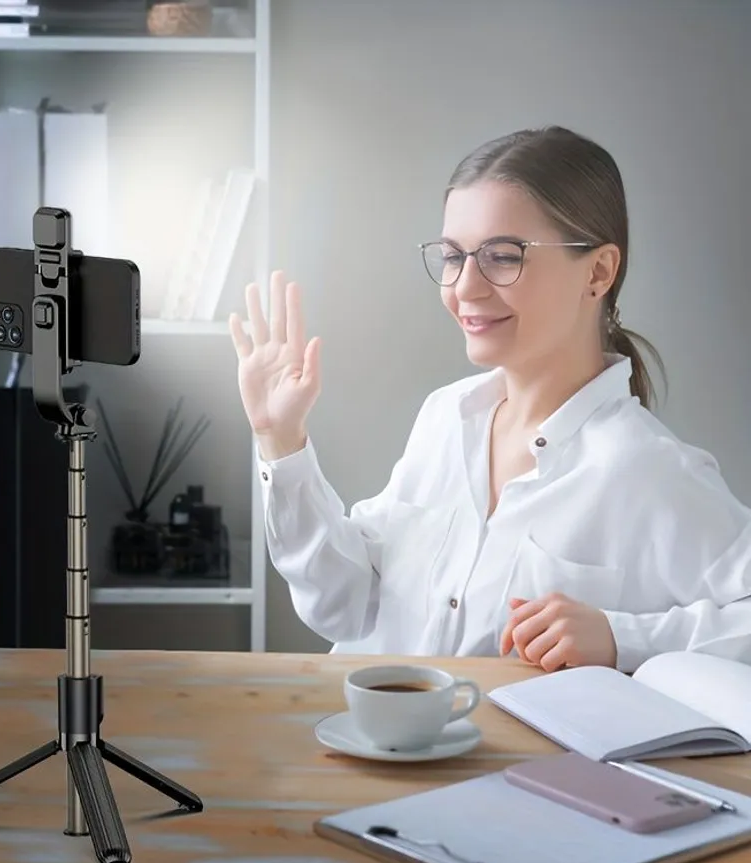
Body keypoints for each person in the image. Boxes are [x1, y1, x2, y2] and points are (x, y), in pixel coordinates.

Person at [228, 125, 751, 674]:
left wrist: (624, 638)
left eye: (503, 256)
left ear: (598, 272)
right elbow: (347, 603)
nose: (465, 288)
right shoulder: (444, 418)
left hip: (512, 761)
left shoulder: (645, 468)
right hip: (370, 744)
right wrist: (280, 441)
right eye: (453, 257)